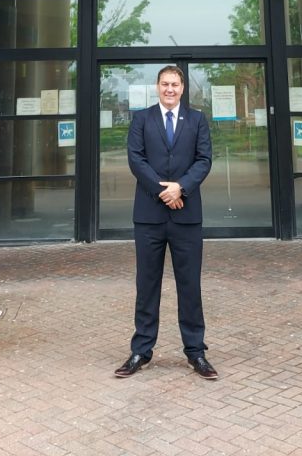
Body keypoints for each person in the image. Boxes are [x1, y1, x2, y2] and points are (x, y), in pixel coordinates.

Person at [114, 65, 217, 380]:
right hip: (149, 218)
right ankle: (141, 351)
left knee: (190, 287)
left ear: (183, 88)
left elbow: (204, 160)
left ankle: (196, 353)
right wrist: (165, 191)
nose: (170, 89)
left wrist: (180, 188)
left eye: (175, 84)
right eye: (164, 84)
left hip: (186, 217)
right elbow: (136, 159)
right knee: (147, 286)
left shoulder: (197, 120)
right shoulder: (141, 120)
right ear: (157, 87)